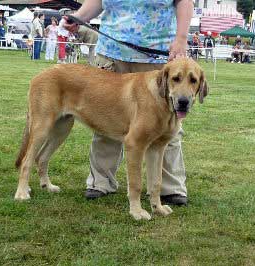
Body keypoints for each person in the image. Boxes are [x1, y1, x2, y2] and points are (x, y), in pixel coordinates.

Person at [64, 0, 193, 206]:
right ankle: (101, 181)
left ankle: (171, 187)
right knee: (106, 118)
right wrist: (79, 17)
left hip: (157, 57)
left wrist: (181, 38)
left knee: (167, 125)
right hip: (112, 51)